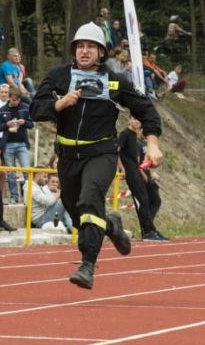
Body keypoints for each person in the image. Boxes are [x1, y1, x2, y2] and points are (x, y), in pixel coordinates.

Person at [31, 22, 163, 290]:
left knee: (91, 199)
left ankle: (87, 264)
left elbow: (146, 110)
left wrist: (152, 144)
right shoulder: (59, 76)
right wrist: (59, 104)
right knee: (80, 215)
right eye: (80, 46)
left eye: (91, 46)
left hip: (101, 153)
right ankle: (111, 226)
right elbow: (35, 109)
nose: (84, 50)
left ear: (102, 52)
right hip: (67, 157)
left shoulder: (115, 81)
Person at [118, 114, 168, 241]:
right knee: (141, 200)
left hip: (136, 170)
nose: (137, 122)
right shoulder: (125, 134)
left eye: (139, 119)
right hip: (130, 172)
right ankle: (147, 231)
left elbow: (136, 158)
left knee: (145, 200)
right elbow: (115, 151)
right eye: (134, 119)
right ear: (129, 119)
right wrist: (122, 168)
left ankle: (150, 230)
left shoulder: (135, 136)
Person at [0, 86, 33, 203]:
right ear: (9, 98)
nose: (15, 102)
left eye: (17, 100)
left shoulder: (26, 108)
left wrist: (24, 122)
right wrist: (7, 124)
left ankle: (28, 197)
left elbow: (31, 124)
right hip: (8, 144)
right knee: (11, 173)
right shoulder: (2, 110)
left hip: (22, 143)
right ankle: (14, 197)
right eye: (13, 100)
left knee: (27, 170)